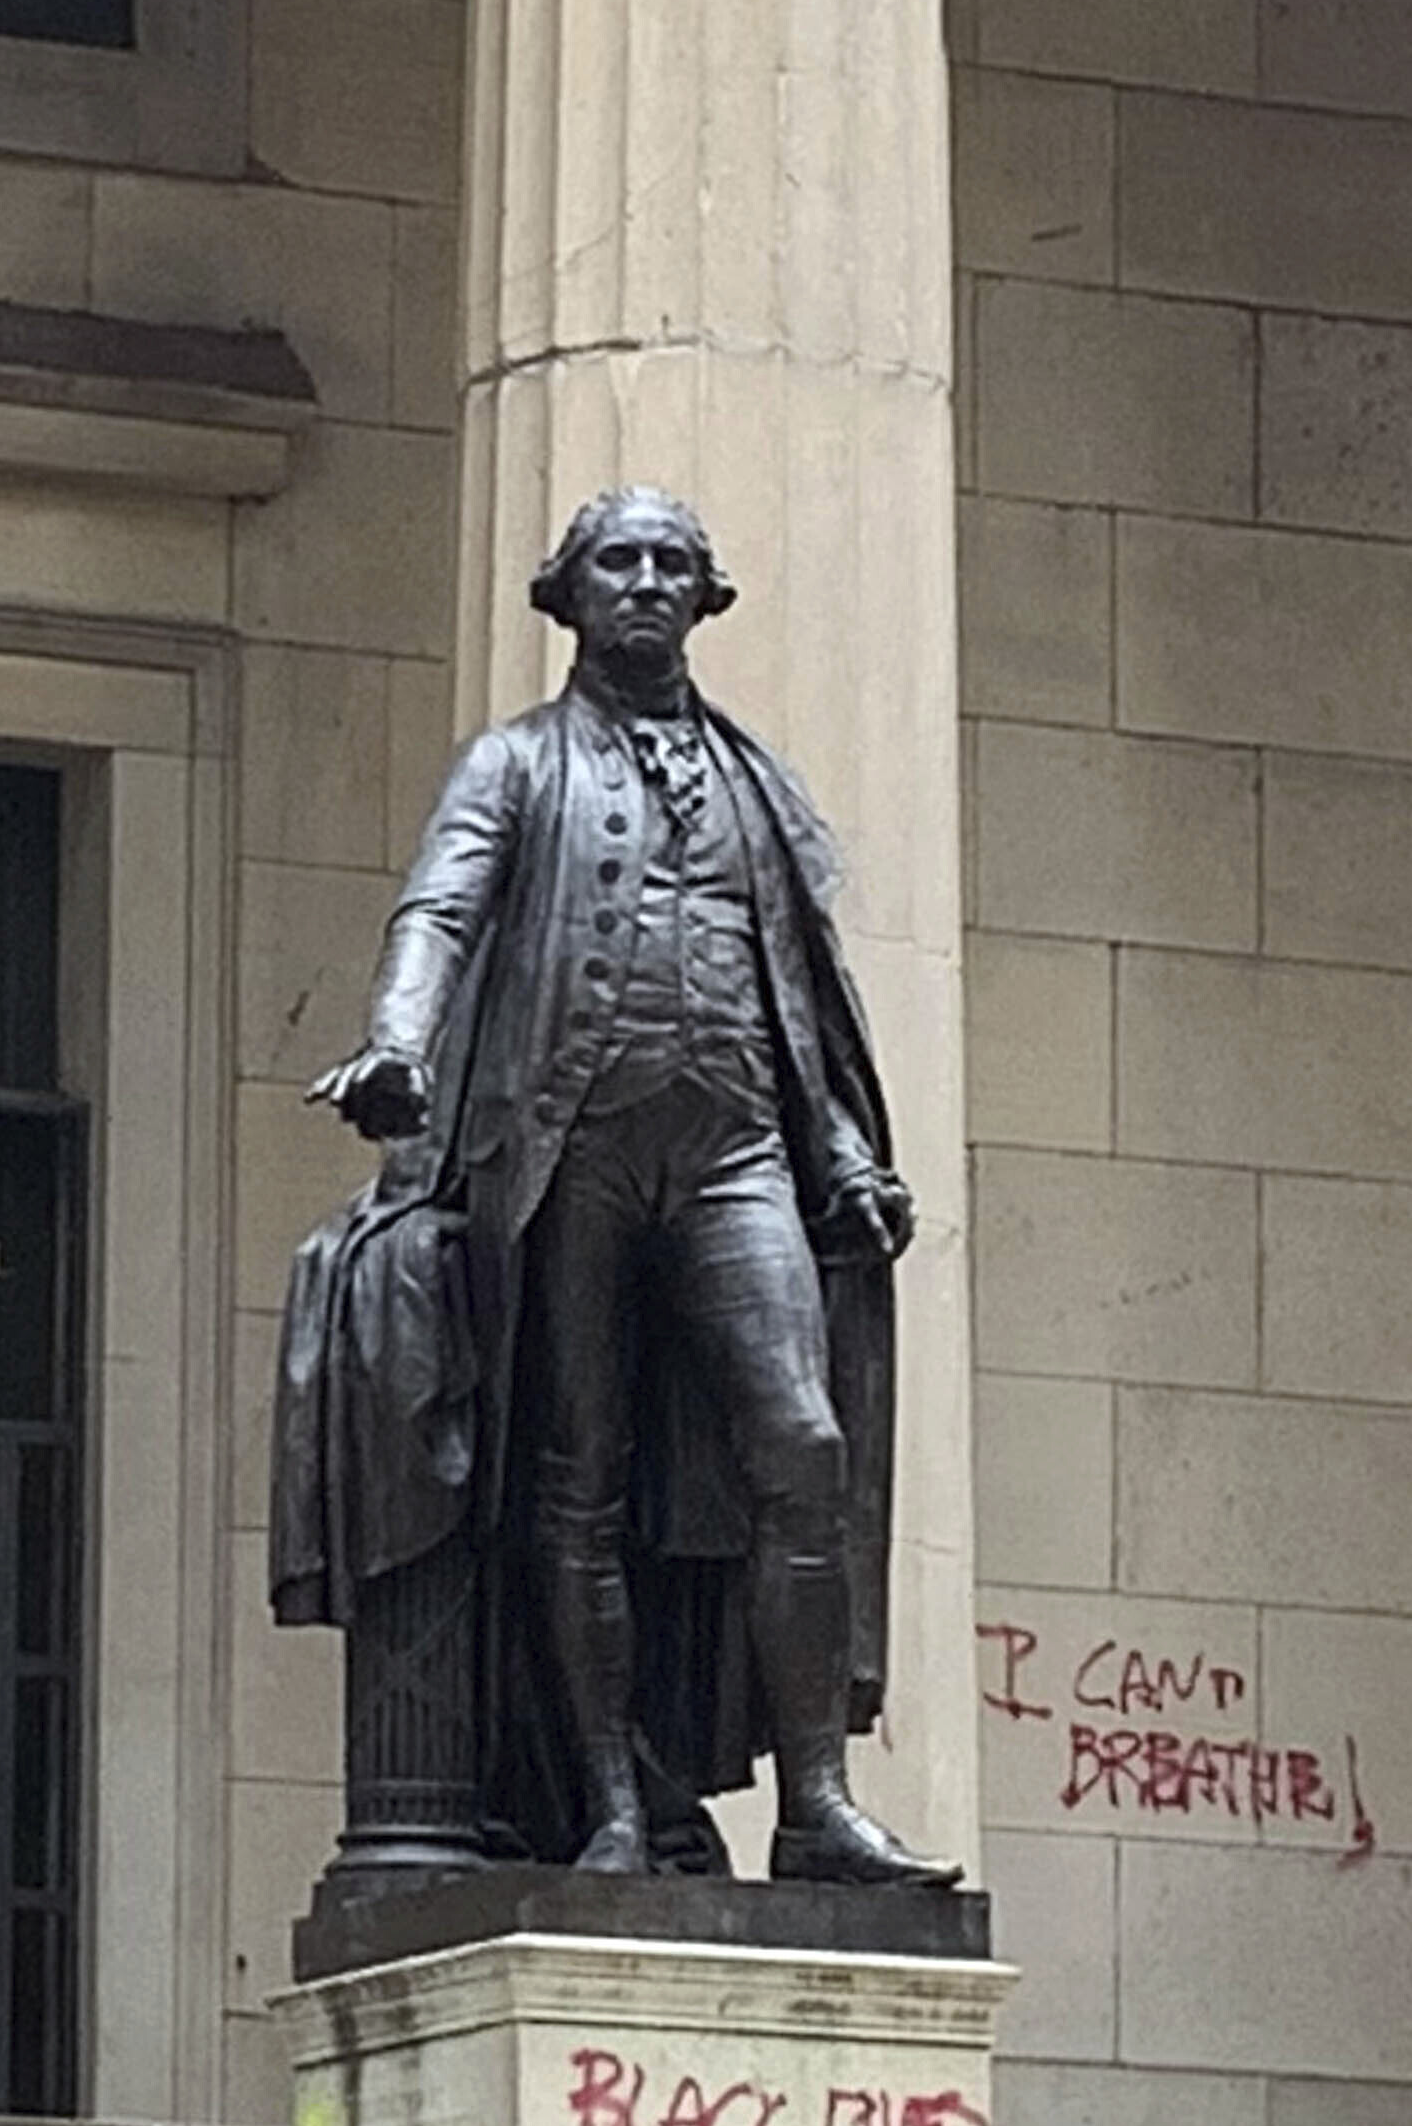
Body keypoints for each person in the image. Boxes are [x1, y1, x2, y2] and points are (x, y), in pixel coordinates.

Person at [270, 488, 952, 1888]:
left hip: (734, 1148)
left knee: (801, 1446)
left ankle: (816, 1802)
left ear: (707, 597)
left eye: (669, 565)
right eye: (615, 563)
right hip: (570, 1147)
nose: (643, 584)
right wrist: (397, 1042)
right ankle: (612, 1807)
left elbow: (796, 992)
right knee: (575, 1481)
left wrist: (841, 1155)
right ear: (567, 595)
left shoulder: (760, 784)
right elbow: (442, 910)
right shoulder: (516, 765)